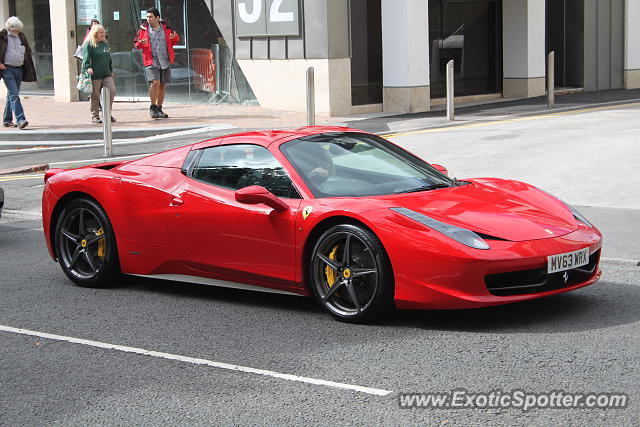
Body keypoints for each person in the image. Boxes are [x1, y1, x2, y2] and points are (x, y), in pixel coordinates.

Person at [134, 7, 180, 119]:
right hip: (151, 60)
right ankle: (153, 106)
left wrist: (175, 37)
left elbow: (175, 40)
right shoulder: (143, 29)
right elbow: (136, 44)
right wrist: (140, 43)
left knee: (162, 85)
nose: (148, 19)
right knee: (155, 82)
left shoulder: (166, 27)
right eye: (147, 17)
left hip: (165, 60)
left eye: (151, 17)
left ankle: (159, 108)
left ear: (157, 17)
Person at [0, 16, 36, 129]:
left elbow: (27, 50)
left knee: (11, 95)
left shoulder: (21, 36)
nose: (17, 32)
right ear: (9, 28)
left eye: (18, 29)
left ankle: (7, 120)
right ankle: (21, 119)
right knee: (15, 95)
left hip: (19, 69)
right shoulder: (2, 37)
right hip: (7, 69)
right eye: (15, 30)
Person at [82, 25, 115, 124]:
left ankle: (107, 113)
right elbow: (86, 59)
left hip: (106, 74)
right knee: (95, 95)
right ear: (95, 34)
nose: (103, 34)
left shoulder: (104, 44)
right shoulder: (89, 44)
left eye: (104, 32)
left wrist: (111, 70)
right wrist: (88, 68)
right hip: (95, 75)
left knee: (111, 91)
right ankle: (95, 115)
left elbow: (108, 59)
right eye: (101, 32)